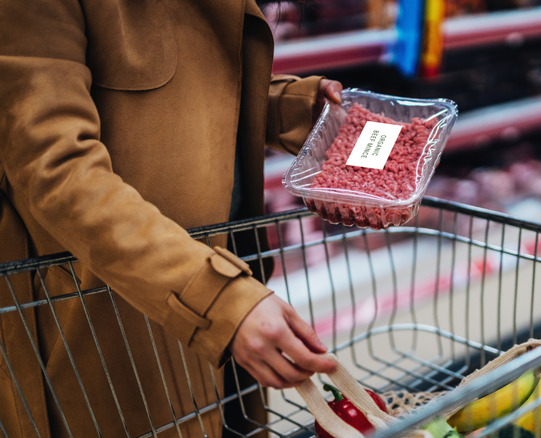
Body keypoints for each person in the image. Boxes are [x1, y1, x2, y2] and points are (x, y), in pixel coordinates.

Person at [0, 0, 342, 436]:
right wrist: (219, 300)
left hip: (227, 296)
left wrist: (292, 110)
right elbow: (57, 168)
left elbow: (179, 90)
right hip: (110, 326)